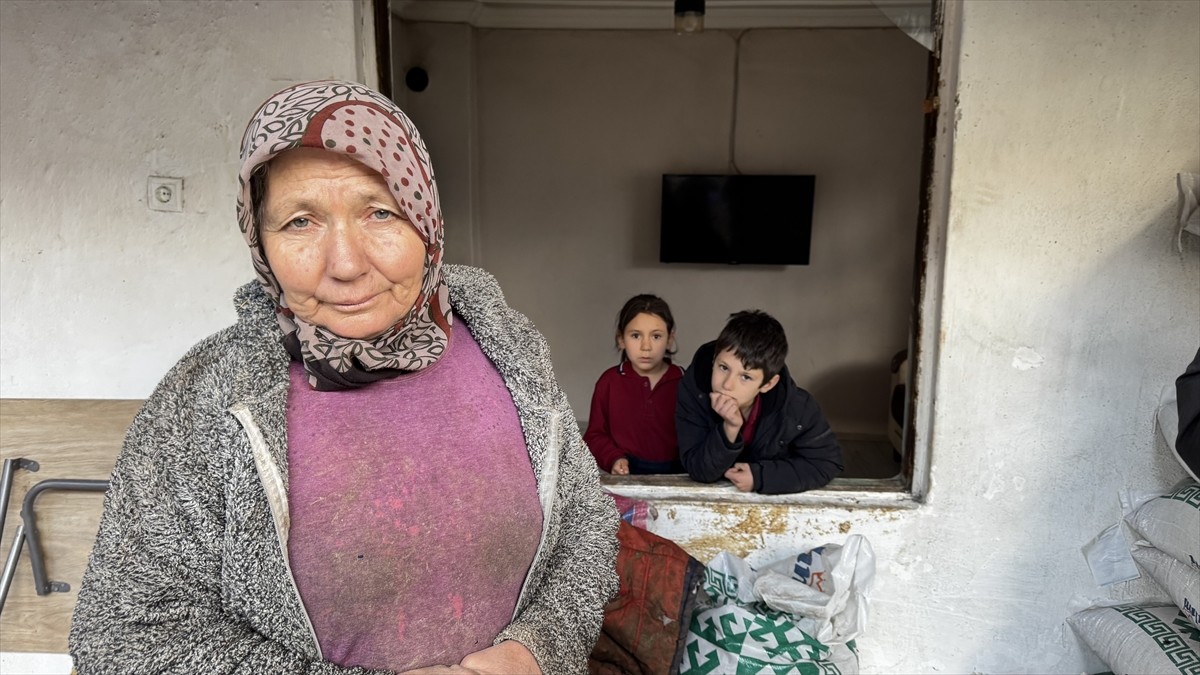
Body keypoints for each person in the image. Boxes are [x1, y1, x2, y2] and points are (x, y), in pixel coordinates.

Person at [69, 80, 618, 675]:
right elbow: (124, 636)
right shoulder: (204, 400)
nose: (348, 264)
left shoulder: (509, 346)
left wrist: (535, 651)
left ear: (425, 217)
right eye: (300, 222)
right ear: (259, 239)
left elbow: (585, 526)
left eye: (380, 212)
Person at [676, 310, 842, 494]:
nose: (727, 385)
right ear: (714, 359)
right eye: (723, 367)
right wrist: (729, 429)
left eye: (745, 377)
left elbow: (826, 463)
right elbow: (698, 469)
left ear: (768, 384)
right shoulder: (694, 391)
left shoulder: (798, 407)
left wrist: (761, 476)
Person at [584, 295, 685, 475]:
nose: (646, 346)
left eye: (656, 336)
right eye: (636, 336)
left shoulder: (685, 382)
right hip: (626, 476)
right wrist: (614, 458)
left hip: (680, 478)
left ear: (670, 339)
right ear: (621, 339)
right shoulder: (609, 382)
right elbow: (594, 435)